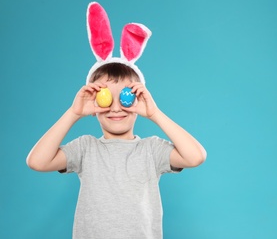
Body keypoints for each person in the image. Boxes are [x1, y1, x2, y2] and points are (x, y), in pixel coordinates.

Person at [26, 61, 207, 238]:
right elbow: (37, 162)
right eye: (105, 98)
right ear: (94, 104)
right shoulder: (86, 147)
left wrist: (155, 114)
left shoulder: (151, 149)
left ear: (138, 99)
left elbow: (195, 157)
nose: (115, 108)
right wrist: (74, 113)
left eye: (125, 97)